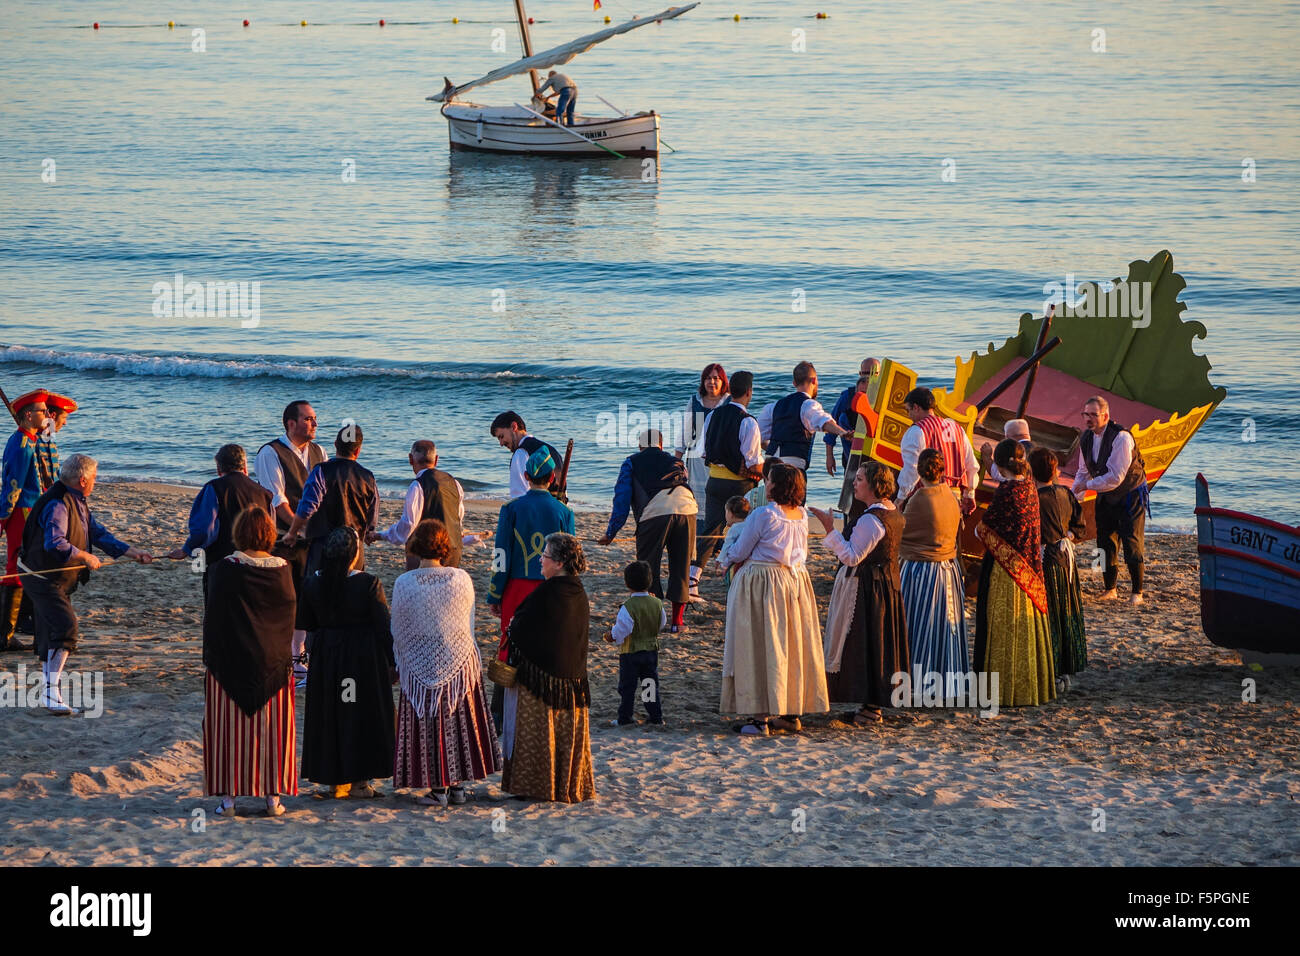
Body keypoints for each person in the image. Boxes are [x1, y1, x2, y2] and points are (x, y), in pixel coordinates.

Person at [19, 454, 153, 713]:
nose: (95, 482)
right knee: (66, 628)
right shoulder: (58, 503)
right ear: (82, 480)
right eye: (94, 479)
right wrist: (85, 556)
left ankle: (49, 693)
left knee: (50, 631)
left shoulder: (78, 500)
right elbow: (55, 543)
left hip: (53, 577)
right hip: (39, 576)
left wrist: (132, 552)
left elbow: (97, 533)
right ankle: (50, 693)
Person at [392, 519, 501, 807]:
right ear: (444, 546)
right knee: (457, 721)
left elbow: (399, 629)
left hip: (419, 657)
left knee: (430, 721)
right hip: (457, 657)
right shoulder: (460, 578)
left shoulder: (405, 582)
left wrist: (404, 659)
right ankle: (458, 788)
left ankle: (438, 789)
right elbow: (468, 622)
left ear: (415, 546)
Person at [201, 508, 297, 817]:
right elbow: (287, 615)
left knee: (228, 732)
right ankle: (273, 799)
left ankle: (228, 801)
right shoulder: (283, 569)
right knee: (272, 733)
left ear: (239, 534)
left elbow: (214, 618)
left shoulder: (223, 569)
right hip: (273, 661)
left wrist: (213, 658)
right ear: (269, 534)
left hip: (229, 661)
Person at [721, 464, 829, 736]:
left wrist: (725, 560)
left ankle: (760, 718)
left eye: (768, 480)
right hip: (794, 583)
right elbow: (799, 552)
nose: (765, 483)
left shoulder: (763, 515)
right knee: (791, 643)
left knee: (760, 645)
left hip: (764, 583)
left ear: (775, 486)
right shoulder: (802, 515)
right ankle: (790, 712)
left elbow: (741, 549)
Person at [297, 527, 395, 800]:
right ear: (354, 555)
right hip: (361, 659)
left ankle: (333, 782)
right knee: (360, 713)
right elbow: (382, 626)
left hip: (328, 657)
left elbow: (306, 622)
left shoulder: (314, 583)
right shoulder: (368, 583)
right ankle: (361, 783)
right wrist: (392, 661)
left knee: (331, 713)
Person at [500, 532, 596, 803]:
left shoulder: (548, 592)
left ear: (560, 562)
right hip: (573, 678)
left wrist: (513, 630)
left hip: (542, 679)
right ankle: (566, 784)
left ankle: (536, 786)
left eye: (545, 556)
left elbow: (523, 627)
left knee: (537, 732)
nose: (540, 560)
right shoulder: (577, 589)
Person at [810, 460, 907, 724]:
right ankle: (871, 705)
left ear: (875, 485)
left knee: (863, 644)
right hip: (884, 585)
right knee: (878, 644)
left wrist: (830, 529)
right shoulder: (892, 512)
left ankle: (871, 706)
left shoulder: (872, 520)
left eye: (861, 479)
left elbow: (852, 556)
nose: (855, 482)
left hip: (867, 588)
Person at [486, 447, 576, 728]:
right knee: (548, 643)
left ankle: (500, 714)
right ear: (552, 478)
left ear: (526, 476)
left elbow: (501, 553)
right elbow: (568, 557)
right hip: (550, 587)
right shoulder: (564, 511)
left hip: (515, 587)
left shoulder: (511, 509)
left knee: (509, 644)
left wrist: (495, 592)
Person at [974, 440, 1055, 707]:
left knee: (1001, 627)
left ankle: (1003, 690)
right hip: (1030, 569)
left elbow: (983, 530)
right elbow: (1003, 475)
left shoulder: (1007, 492)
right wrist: (989, 459)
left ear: (1000, 463)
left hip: (1005, 569)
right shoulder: (1029, 486)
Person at [596, 429, 697, 632]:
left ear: (640, 446)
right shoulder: (676, 462)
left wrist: (611, 532)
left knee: (648, 566)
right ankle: (677, 622)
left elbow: (622, 500)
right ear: (661, 445)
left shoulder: (631, 462)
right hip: (687, 508)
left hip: (654, 512)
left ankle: (652, 618)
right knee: (681, 564)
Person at [255, 400, 326, 681]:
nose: (314, 424)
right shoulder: (270, 453)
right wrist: (298, 528)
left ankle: (301, 654)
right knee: (287, 596)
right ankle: (288, 657)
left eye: (315, 419)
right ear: (291, 423)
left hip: (315, 537)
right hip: (285, 537)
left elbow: (325, 492)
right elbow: (278, 500)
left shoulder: (319, 452)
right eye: (308, 419)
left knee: (309, 595)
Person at [898, 448, 967, 698]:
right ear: (942, 470)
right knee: (943, 628)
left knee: (918, 627)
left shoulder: (919, 498)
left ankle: (920, 681)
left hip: (921, 570)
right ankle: (947, 681)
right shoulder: (949, 494)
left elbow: (903, 532)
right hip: (947, 569)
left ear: (919, 470)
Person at [691, 370, 762, 598]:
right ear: (749, 393)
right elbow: (752, 462)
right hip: (739, 487)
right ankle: (740, 578)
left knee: (711, 531)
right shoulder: (749, 422)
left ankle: (693, 581)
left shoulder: (713, 416)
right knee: (745, 531)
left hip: (713, 482)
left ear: (729, 390)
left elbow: (702, 452)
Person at [167, 444, 273, 595]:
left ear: (218, 468)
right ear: (245, 466)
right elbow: (271, 529)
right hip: (257, 562)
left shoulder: (214, 488)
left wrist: (187, 549)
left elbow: (203, 530)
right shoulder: (264, 493)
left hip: (222, 560)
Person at [1072, 396, 1149, 605]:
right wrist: (1074, 497)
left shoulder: (1121, 438)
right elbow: (1082, 471)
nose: (1088, 419)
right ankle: (1110, 589)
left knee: (1132, 543)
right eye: (1085, 414)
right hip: (1105, 493)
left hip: (1130, 493)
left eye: (1093, 415)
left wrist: (1087, 486)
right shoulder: (1086, 437)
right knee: (1104, 542)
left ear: (1105, 415)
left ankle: (1137, 593)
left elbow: (1116, 477)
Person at [283, 424, 379, 574]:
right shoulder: (368, 477)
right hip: (355, 546)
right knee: (351, 589)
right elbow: (372, 516)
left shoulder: (321, 470)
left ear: (335, 444)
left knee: (318, 589)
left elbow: (307, 507)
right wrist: (367, 533)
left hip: (323, 544)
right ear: (358, 450)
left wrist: (292, 532)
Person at [1032, 447, 1087, 692]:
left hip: (1047, 560)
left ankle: (1053, 669)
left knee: (1050, 615)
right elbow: (1080, 525)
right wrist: (1068, 536)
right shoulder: (1065, 492)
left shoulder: (1034, 499)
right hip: (1067, 558)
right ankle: (1066, 669)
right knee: (1068, 611)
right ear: (1054, 470)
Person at [2, 389, 50, 652]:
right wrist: (4, 517)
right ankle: (4, 634)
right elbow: (13, 486)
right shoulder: (21, 444)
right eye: (43, 411)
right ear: (29, 415)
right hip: (22, 513)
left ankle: (21, 625)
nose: (47, 415)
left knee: (28, 567)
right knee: (16, 569)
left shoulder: (30, 440)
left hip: (31, 511)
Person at [370, 439, 465, 570]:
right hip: (453, 549)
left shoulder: (417, 485)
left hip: (427, 553)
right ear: (436, 460)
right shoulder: (454, 483)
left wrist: (381, 535)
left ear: (410, 459)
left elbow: (408, 525)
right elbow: (458, 518)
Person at [756, 361, 851, 473]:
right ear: (814, 380)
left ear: (794, 383)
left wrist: (776, 452)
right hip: (792, 465)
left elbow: (758, 436)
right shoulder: (808, 404)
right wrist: (842, 432)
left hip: (770, 463)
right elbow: (824, 422)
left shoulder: (773, 406)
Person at [897, 387, 979, 515]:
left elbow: (912, 469)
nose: (909, 416)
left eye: (909, 410)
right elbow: (971, 465)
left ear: (916, 407)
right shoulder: (957, 428)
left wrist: (901, 497)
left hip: (927, 499)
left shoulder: (916, 431)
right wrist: (970, 493)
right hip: (954, 498)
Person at [604, 560, 666, 727]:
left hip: (630, 653)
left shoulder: (628, 606)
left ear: (627, 583)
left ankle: (625, 718)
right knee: (650, 685)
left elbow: (622, 629)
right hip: (651, 651)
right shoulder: (657, 603)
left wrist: (611, 636)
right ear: (650, 581)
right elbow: (661, 623)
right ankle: (655, 717)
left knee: (627, 687)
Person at [676, 363, 729, 505]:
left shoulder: (729, 402)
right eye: (708, 378)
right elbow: (685, 434)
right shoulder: (695, 402)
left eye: (716, 378)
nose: (711, 382)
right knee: (698, 502)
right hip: (697, 460)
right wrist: (677, 461)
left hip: (722, 460)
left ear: (723, 381)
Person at [824, 358, 880, 476]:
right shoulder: (847, 397)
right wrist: (829, 456)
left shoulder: (884, 399)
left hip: (878, 461)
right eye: (865, 373)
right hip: (851, 458)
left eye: (873, 374)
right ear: (859, 374)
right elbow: (831, 425)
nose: (869, 378)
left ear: (880, 375)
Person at [490, 411, 563, 500]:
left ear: (513, 427)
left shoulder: (520, 453)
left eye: (501, 436)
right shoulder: (553, 451)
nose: (501, 443)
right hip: (559, 510)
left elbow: (519, 497)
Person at [36, 392, 77, 493]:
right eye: (64, 418)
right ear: (53, 416)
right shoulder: (34, 439)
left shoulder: (50, 438)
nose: (65, 423)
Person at [712, 495, 751, 588]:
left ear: (731, 514)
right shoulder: (750, 524)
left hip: (737, 563)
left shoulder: (734, 528)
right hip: (751, 563)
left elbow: (727, 546)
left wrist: (720, 560)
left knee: (733, 584)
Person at [982, 418, 1034, 483]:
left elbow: (1000, 475)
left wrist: (987, 457)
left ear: (1007, 436)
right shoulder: (1036, 450)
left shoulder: (1014, 450)